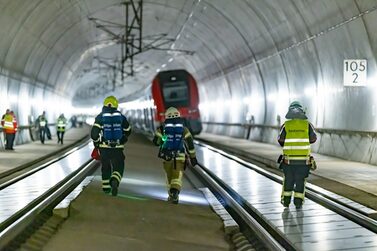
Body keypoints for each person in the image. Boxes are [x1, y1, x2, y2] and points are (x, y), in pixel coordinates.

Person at [153, 107, 198, 204]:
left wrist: (163, 139)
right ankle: (175, 192)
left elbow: (156, 142)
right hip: (180, 156)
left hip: (167, 157)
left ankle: (172, 195)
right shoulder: (184, 129)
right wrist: (193, 157)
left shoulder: (162, 128)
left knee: (169, 177)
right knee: (177, 176)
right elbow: (190, 144)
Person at [277, 101, 317, 209]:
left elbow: (280, 140)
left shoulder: (286, 125)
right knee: (300, 181)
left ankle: (286, 201)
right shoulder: (307, 125)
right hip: (303, 161)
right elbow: (313, 139)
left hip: (288, 161)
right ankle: (298, 202)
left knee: (288, 180)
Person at [91, 96, 131, 196]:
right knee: (119, 166)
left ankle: (106, 189)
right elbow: (128, 130)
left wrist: (96, 142)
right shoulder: (121, 116)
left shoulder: (100, 117)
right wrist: (123, 137)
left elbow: (94, 134)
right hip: (117, 148)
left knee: (105, 167)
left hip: (104, 148)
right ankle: (115, 180)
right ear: (116, 105)